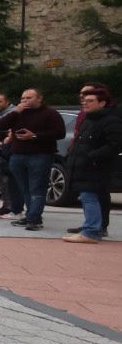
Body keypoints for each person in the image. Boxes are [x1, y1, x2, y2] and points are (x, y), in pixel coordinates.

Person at [0, 87, 65, 232]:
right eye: (23, 98)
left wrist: (34, 136)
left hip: (40, 155)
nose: (25, 101)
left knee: (37, 188)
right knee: (25, 188)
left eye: (29, 98)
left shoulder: (50, 113)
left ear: (39, 99)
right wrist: (16, 111)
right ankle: (30, 216)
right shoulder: (18, 114)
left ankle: (34, 219)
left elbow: (59, 133)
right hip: (18, 155)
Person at [64, 86, 120, 243]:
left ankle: (91, 232)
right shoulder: (88, 120)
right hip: (83, 166)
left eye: (90, 101)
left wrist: (92, 156)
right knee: (87, 197)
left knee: (89, 197)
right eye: (84, 100)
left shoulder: (110, 121)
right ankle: (91, 228)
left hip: (97, 167)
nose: (85, 103)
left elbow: (115, 144)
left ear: (102, 103)